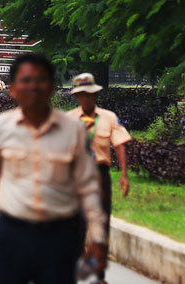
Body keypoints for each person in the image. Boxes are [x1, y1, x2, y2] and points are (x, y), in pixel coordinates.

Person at [0, 53, 107, 283]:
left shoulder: (73, 130)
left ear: (51, 87)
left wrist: (97, 237)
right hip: (11, 235)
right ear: (12, 89)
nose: (33, 87)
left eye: (40, 80)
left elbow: (87, 186)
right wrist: (8, 211)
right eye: (26, 80)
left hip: (59, 237)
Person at [67, 72, 132, 283]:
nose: (85, 98)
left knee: (102, 224)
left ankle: (99, 274)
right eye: (81, 95)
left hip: (100, 175)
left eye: (89, 94)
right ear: (77, 96)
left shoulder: (109, 117)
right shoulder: (69, 120)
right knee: (77, 224)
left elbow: (119, 145)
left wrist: (124, 175)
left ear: (95, 94)